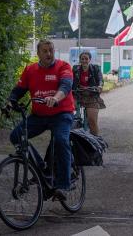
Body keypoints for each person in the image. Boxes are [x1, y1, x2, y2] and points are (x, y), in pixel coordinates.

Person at [7, 39, 75, 201]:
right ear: (38, 53)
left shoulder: (63, 67)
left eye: (51, 50)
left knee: (60, 140)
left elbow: (65, 86)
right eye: (45, 51)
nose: (49, 54)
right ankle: (41, 167)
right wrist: (10, 103)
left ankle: (63, 185)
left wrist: (56, 98)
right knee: (15, 136)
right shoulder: (30, 70)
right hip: (39, 116)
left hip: (61, 114)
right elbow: (18, 90)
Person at [72, 51, 106, 136]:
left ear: (89, 59)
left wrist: (100, 86)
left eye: (86, 59)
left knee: (92, 120)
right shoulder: (75, 69)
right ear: (80, 60)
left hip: (92, 95)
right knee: (68, 115)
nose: (84, 60)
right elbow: (69, 79)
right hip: (77, 94)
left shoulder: (95, 68)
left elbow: (100, 79)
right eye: (82, 59)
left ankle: (96, 141)